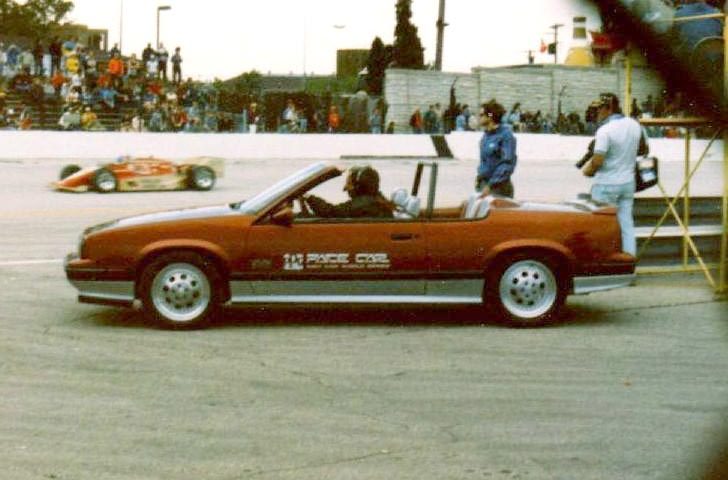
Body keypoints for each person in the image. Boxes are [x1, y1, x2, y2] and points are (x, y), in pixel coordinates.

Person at [582, 93, 643, 256]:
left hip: (606, 184)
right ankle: (629, 260)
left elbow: (598, 161)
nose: (597, 113)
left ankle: (602, 262)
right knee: (626, 224)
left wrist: (587, 171)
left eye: (599, 109)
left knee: (600, 224)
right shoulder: (634, 124)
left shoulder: (605, 130)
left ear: (608, 108)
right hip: (628, 182)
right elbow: (644, 149)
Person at [305, 166, 393, 218]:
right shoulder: (377, 200)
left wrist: (308, 197)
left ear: (359, 186)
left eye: (349, 184)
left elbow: (330, 212)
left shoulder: (362, 205)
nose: (345, 188)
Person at [475, 100, 517, 198]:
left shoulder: (505, 136)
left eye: (481, 115)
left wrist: (490, 186)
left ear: (490, 116)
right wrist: (479, 178)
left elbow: (507, 163)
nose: (479, 118)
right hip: (484, 185)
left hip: (498, 188)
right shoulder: (485, 136)